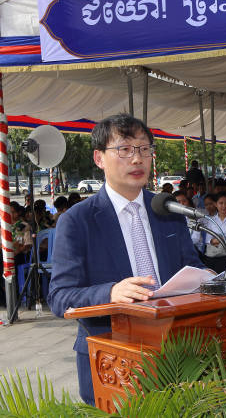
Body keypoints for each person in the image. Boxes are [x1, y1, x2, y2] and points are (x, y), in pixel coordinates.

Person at [47, 113, 207, 406]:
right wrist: (110, 293)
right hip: (113, 358)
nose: (137, 159)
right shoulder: (77, 221)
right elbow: (59, 297)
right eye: (124, 150)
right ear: (99, 158)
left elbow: (191, 266)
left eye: (144, 149)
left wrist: (208, 278)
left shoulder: (167, 209)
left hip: (177, 353)